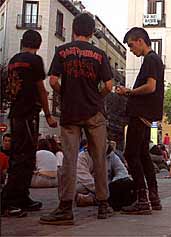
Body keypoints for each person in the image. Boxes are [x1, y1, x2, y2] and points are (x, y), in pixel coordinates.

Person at [40, 13, 113, 225]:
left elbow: (53, 81)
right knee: (99, 158)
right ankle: (103, 205)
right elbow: (108, 86)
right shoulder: (99, 54)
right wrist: (96, 97)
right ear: (91, 33)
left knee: (69, 160)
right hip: (95, 113)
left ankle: (65, 208)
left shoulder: (62, 51)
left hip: (71, 112)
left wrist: (66, 93)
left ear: (74, 29)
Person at [1, 30, 57, 217]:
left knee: (19, 156)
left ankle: (22, 197)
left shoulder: (13, 61)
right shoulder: (35, 61)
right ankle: (9, 202)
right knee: (24, 158)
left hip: (16, 113)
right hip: (27, 114)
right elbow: (41, 89)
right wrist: (48, 114)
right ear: (38, 45)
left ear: (22, 42)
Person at [116, 27, 164, 215]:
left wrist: (129, 92)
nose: (131, 50)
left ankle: (142, 199)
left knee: (131, 154)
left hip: (141, 113)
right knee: (143, 154)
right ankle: (153, 197)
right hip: (147, 114)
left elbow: (150, 87)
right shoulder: (154, 60)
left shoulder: (151, 59)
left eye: (130, 45)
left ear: (139, 41)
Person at [76, 143, 136, 211]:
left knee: (127, 183)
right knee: (79, 188)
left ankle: (93, 199)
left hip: (108, 186)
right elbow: (85, 179)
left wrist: (113, 185)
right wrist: (103, 191)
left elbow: (122, 172)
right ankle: (102, 199)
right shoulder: (82, 157)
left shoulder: (111, 155)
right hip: (91, 187)